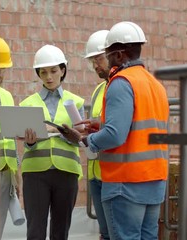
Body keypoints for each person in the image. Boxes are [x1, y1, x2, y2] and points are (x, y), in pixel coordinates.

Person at [61, 21, 169, 240]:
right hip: (154, 181)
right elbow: (139, 127)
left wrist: (83, 139)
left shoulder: (121, 82)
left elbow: (115, 135)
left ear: (119, 55)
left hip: (126, 184)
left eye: (108, 55)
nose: (106, 61)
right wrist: (101, 124)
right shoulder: (155, 84)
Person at [19, 44, 85, 240]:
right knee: (35, 232)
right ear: (38, 73)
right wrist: (30, 142)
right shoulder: (27, 103)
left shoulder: (76, 102)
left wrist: (57, 130)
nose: (48, 76)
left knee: (60, 231)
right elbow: (26, 143)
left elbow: (80, 140)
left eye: (53, 71)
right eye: (43, 72)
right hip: (35, 174)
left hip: (67, 172)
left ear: (62, 70)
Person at [82, 29, 111, 240]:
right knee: (105, 233)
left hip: (112, 174)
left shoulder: (122, 86)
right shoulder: (99, 89)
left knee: (115, 233)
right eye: (92, 60)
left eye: (98, 59)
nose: (95, 66)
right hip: (95, 172)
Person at [0, 36, 20, 239]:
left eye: (3, 69)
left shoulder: (7, 96)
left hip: (5, 172)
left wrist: (15, 172)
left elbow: (10, 138)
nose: (1, 74)